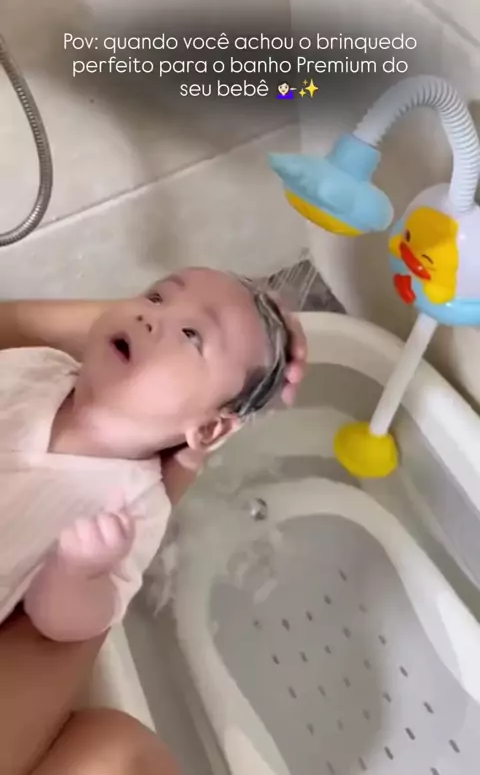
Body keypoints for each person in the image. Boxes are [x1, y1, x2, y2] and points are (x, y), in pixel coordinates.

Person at [0, 283, 306, 775]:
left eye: (191, 335)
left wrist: (75, 574)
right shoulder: (40, 366)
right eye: (157, 297)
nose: (151, 317)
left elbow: (61, 625)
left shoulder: (136, 506)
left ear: (209, 429)